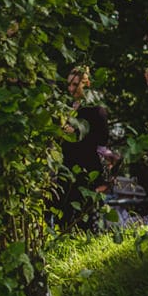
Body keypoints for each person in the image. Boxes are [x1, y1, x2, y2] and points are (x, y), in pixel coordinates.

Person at [56, 68, 110, 229]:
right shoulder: (66, 107)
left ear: (86, 84)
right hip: (66, 167)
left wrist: (78, 132)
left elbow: (102, 140)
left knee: (85, 217)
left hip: (87, 169)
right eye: (69, 85)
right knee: (63, 213)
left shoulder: (96, 110)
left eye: (75, 84)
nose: (71, 89)